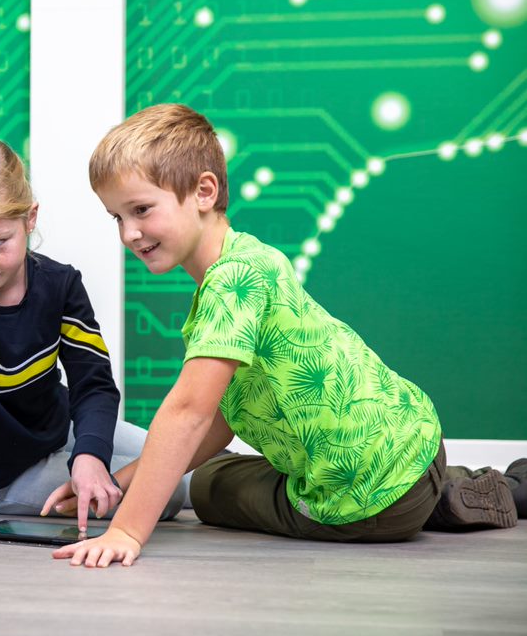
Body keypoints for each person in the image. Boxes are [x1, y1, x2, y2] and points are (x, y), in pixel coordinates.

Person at [50, 103, 527, 568]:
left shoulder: (230, 287)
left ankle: (429, 503)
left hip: (364, 504)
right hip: (418, 445)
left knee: (213, 485)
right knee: (220, 465)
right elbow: (221, 420)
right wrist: (121, 482)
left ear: (204, 192)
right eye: (118, 217)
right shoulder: (253, 259)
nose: (129, 233)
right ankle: (460, 488)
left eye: (141, 210)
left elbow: (191, 413)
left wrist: (127, 531)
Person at [0, 138, 187, 531]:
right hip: (7, 472)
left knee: (180, 459)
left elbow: (93, 383)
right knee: (169, 491)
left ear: (29, 218)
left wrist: (90, 456)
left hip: (59, 427)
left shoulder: (61, 284)